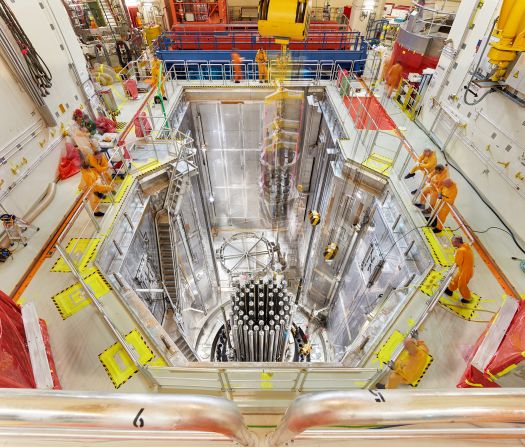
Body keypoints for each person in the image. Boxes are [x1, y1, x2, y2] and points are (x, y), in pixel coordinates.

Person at [445, 236, 474, 304]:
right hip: (465, 269)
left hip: (465, 272)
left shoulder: (460, 250)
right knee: (456, 280)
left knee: (462, 285)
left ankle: (468, 298)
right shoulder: (466, 246)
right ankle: (450, 289)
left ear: (456, 242)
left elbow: (458, 262)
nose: (452, 244)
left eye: (453, 243)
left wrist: (455, 255)